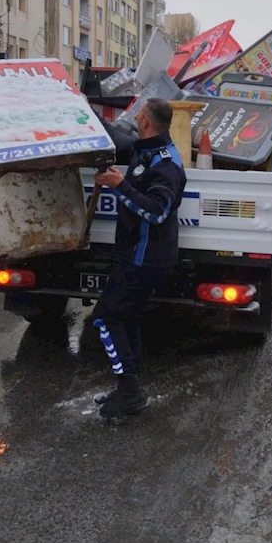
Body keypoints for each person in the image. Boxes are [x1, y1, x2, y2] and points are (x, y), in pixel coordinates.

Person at [91, 99, 186, 418]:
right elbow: (112, 135)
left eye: (138, 114)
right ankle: (128, 388)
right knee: (127, 317)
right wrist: (81, 106)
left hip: (147, 258)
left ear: (145, 121)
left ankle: (130, 390)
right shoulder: (142, 149)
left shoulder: (166, 163)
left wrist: (120, 186)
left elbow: (157, 212)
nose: (133, 118)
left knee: (106, 317)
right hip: (132, 253)